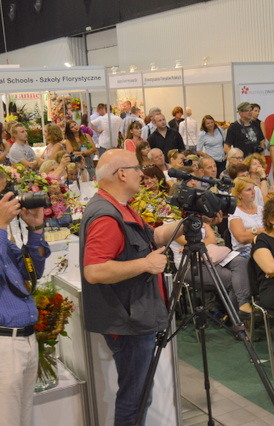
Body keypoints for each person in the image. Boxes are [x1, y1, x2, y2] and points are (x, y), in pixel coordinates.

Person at [80, 149, 183, 424]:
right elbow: (94, 271)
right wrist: (145, 264)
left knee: (139, 395)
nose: (142, 173)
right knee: (135, 398)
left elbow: (154, 237)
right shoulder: (107, 215)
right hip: (129, 320)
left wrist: (186, 223)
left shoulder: (121, 208)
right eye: (137, 168)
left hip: (134, 315)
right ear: (122, 174)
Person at [0, 185, 49, 426]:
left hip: (26, 339)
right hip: (4, 343)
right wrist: (1, 225)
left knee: (23, 417)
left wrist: (36, 228)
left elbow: (32, 271)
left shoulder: (4, 241)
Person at [229, 177, 264, 258]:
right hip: (244, 252)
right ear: (239, 195)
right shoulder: (234, 212)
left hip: (264, 246)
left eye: (253, 188)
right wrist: (262, 231)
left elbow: (273, 230)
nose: (253, 192)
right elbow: (241, 238)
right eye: (248, 190)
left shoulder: (261, 209)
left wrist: (250, 231)